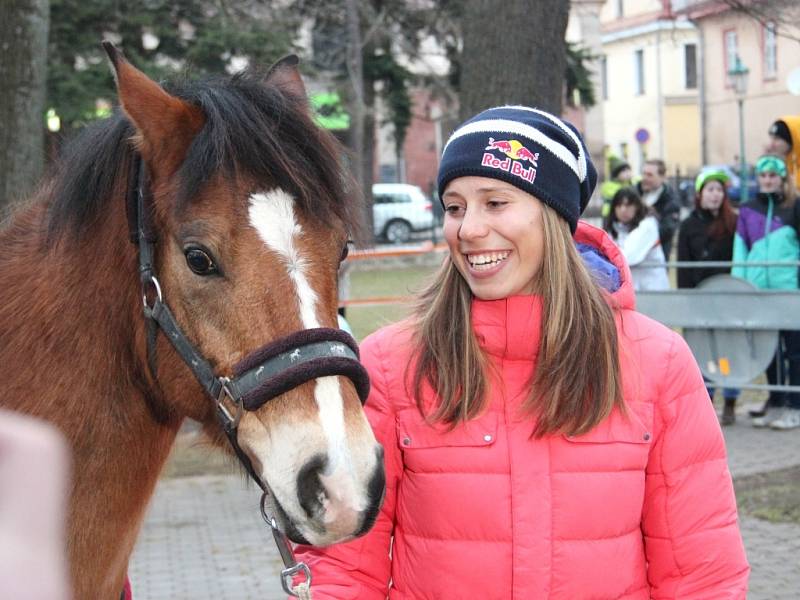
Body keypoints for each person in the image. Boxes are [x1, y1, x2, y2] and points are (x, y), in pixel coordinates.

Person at [294, 106, 749, 598]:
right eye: (454, 206)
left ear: (553, 216)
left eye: (494, 202)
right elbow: (342, 566)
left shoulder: (657, 363)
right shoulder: (390, 364)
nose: (467, 229)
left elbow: (700, 571)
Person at [732, 155, 800, 430]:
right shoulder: (747, 210)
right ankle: (776, 402)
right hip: (758, 292)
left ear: (782, 179)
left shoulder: (794, 206)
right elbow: (740, 249)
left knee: (794, 351)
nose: (768, 180)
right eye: (764, 175)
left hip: (789, 292)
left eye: (773, 175)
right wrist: (740, 288)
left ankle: (795, 406)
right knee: (767, 351)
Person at [677, 169, 741, 424]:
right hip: (701, 299)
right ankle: (708, 397)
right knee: (706, 352)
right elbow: (683, 265)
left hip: (727, 298)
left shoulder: (733, 223)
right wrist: (688, 301)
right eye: (710, 189)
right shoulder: (689, 225)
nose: (715, 195)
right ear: (700, 193)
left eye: (719, 190)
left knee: (727, 352)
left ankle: (731, 398)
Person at [603, 186, 669, 291]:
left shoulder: (647, 225)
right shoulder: (614, 229)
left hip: (653, 290)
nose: (623, 210)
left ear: (637, 207)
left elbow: (628, 257)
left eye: (628, 205)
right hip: (632, 291)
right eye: (619, 205)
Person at [636, 159, 681, 259]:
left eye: (650, 175)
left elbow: (667, 229)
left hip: (657, 257)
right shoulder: (634, 193)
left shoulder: (670, 200)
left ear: (662, 177)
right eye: (644, 174)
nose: (645, 178)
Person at [767, 116, 800, 188]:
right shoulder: (785, 167)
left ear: (793, 140)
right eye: (771, 139)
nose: (771, 144)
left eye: (777, 139)